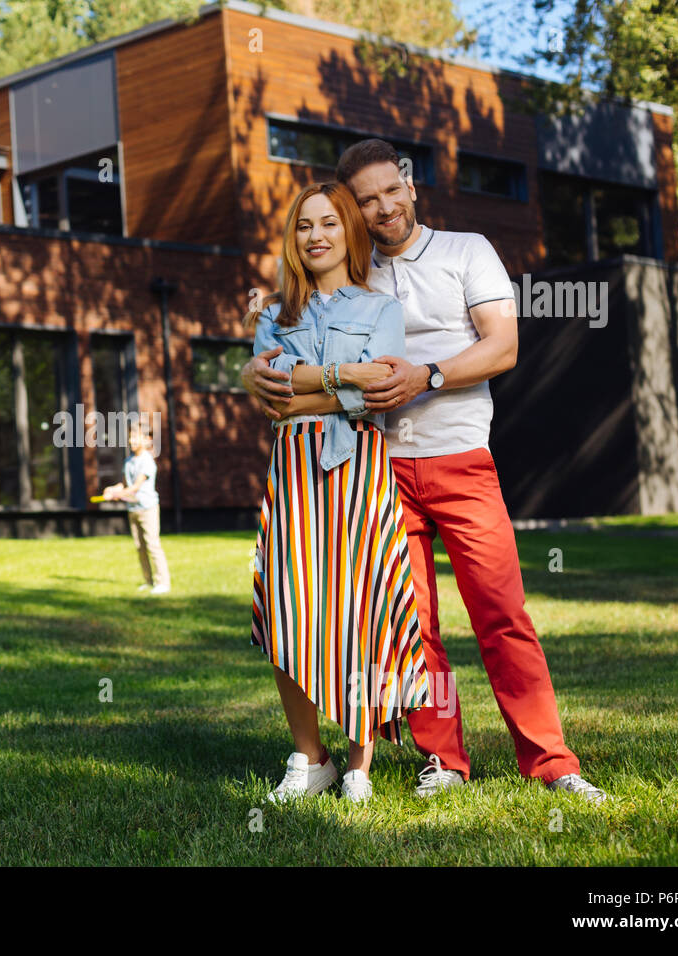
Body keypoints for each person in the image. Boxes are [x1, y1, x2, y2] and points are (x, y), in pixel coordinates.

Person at [242, 140, 606, 804]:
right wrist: (252, 367)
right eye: (367, 200)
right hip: (378, 470)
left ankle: (552, 760)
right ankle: (443, 758)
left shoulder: (467, 250)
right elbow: (291, 331)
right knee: (412, 626)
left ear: (411, 189)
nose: (383, 208)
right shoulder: (355, 274)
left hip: (460, 458)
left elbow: (503, 344)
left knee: (501, 613)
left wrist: (428, 374)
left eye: (391, 192)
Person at [246, 181, 429, 804]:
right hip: (294, 468)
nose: (315, 235)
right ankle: (308, 757)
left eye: (328, 222)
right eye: (303, 226)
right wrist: (341, 375)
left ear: (349, 231)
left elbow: (379, 389)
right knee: (288, 604)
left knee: (364, 606)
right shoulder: (274, 313)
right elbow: (272, 399)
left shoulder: (380, 309)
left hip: (360, 464)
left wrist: (317, 384)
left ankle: (359, 764)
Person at [100, 426, 171, 595]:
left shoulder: (147, 461)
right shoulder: (129, 461)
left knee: (153, 545)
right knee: (140, 547)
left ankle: (163, 583)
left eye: (136, 438)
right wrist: (111, 490)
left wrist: (117, 494)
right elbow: (125, 485)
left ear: (146, 440)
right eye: (131, 437)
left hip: (148, 509)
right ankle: (149, 581)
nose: (131, 441)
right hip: (133, 509)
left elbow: (136, 487)